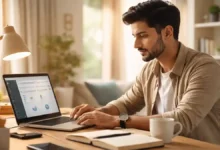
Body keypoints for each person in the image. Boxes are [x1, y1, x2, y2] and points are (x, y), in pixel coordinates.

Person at [70, 0, 220, 144]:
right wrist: (100, 113)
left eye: (143, 35)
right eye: (135, 37)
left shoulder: (205, 67)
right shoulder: (150, 69)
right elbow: (126, 103)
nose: (136, 45)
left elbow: (182, 119)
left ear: (167, 32)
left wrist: (117, 121)